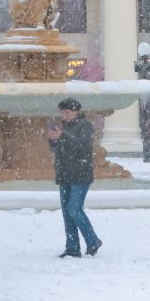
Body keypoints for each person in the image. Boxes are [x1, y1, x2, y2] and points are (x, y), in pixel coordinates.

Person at [48, 97, 101, 258]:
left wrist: (62, 136)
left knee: (74, 209)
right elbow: (57, 148)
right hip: (64, 174)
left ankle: (92, 241)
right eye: (63, 112)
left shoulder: (85, 126)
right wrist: (53, 139)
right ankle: (72, 248)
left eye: (67, 112)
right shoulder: (63, 127)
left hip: (80, 174)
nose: (64, 115)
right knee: (67, 212)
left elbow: (81, 146)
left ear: (76, 111)